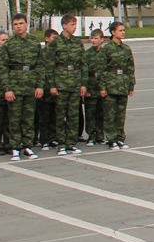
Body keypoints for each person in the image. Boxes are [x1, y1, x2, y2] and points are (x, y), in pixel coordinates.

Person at [3, 13, 44, 161]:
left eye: (21, 23)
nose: (18, 26)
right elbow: (3, 68)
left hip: (30, 84)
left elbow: (40, 65)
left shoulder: (34, 43)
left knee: (29, 118)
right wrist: (7, 88)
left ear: (26, 24)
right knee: (14, 118)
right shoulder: (9, 45)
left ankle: (27, 145)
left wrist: (40, 86)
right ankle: (15, 147)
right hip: (15, 85)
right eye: (15, 24)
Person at [47, 14, 87, 155]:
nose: (74, 27)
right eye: (72, 25)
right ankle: (61, 144)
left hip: (75, 82)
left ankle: (71, 143)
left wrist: (83, 83)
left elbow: (83, 64)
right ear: (64, 25)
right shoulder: (55, 43)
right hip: (61, 82)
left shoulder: (77, 42)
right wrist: (52, 85)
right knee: (60, 115)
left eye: (75, 25)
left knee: (73, 115)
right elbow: (50, 65)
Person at [100, 21, 135, 149]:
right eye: (120, 30)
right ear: (113, 32)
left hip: (123, 84)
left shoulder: (126, 49)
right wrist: (102, 87)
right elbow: (101, 69)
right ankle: (111, 138)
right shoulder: (107, 49)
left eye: (123, 30)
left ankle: (120, 137)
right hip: (110, 84)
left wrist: (131, 85)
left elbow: (130, 68)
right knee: (110, 113)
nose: (123, 32)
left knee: (121, 113)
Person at [35, 28, 59, 149]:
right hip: (44, 88)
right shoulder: (42, 53)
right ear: (46, 39)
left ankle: (53, 138)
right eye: (53, 38)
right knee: (44, 115)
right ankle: (44, 139)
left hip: (55, 87)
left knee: (54, 115)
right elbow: (40, 70)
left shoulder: (57, 53)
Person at [83, 29, 107, 145]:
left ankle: (100, 134)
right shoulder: (87, 54)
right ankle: (91, 135)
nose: (93, 40)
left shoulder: (105, 53)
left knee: (101, 112)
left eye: (96, 38)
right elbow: (84, 72)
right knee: (90, 112)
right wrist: (85, 88)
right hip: (91, 85)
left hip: (102, 86)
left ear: (102, 40)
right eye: (91, 38)